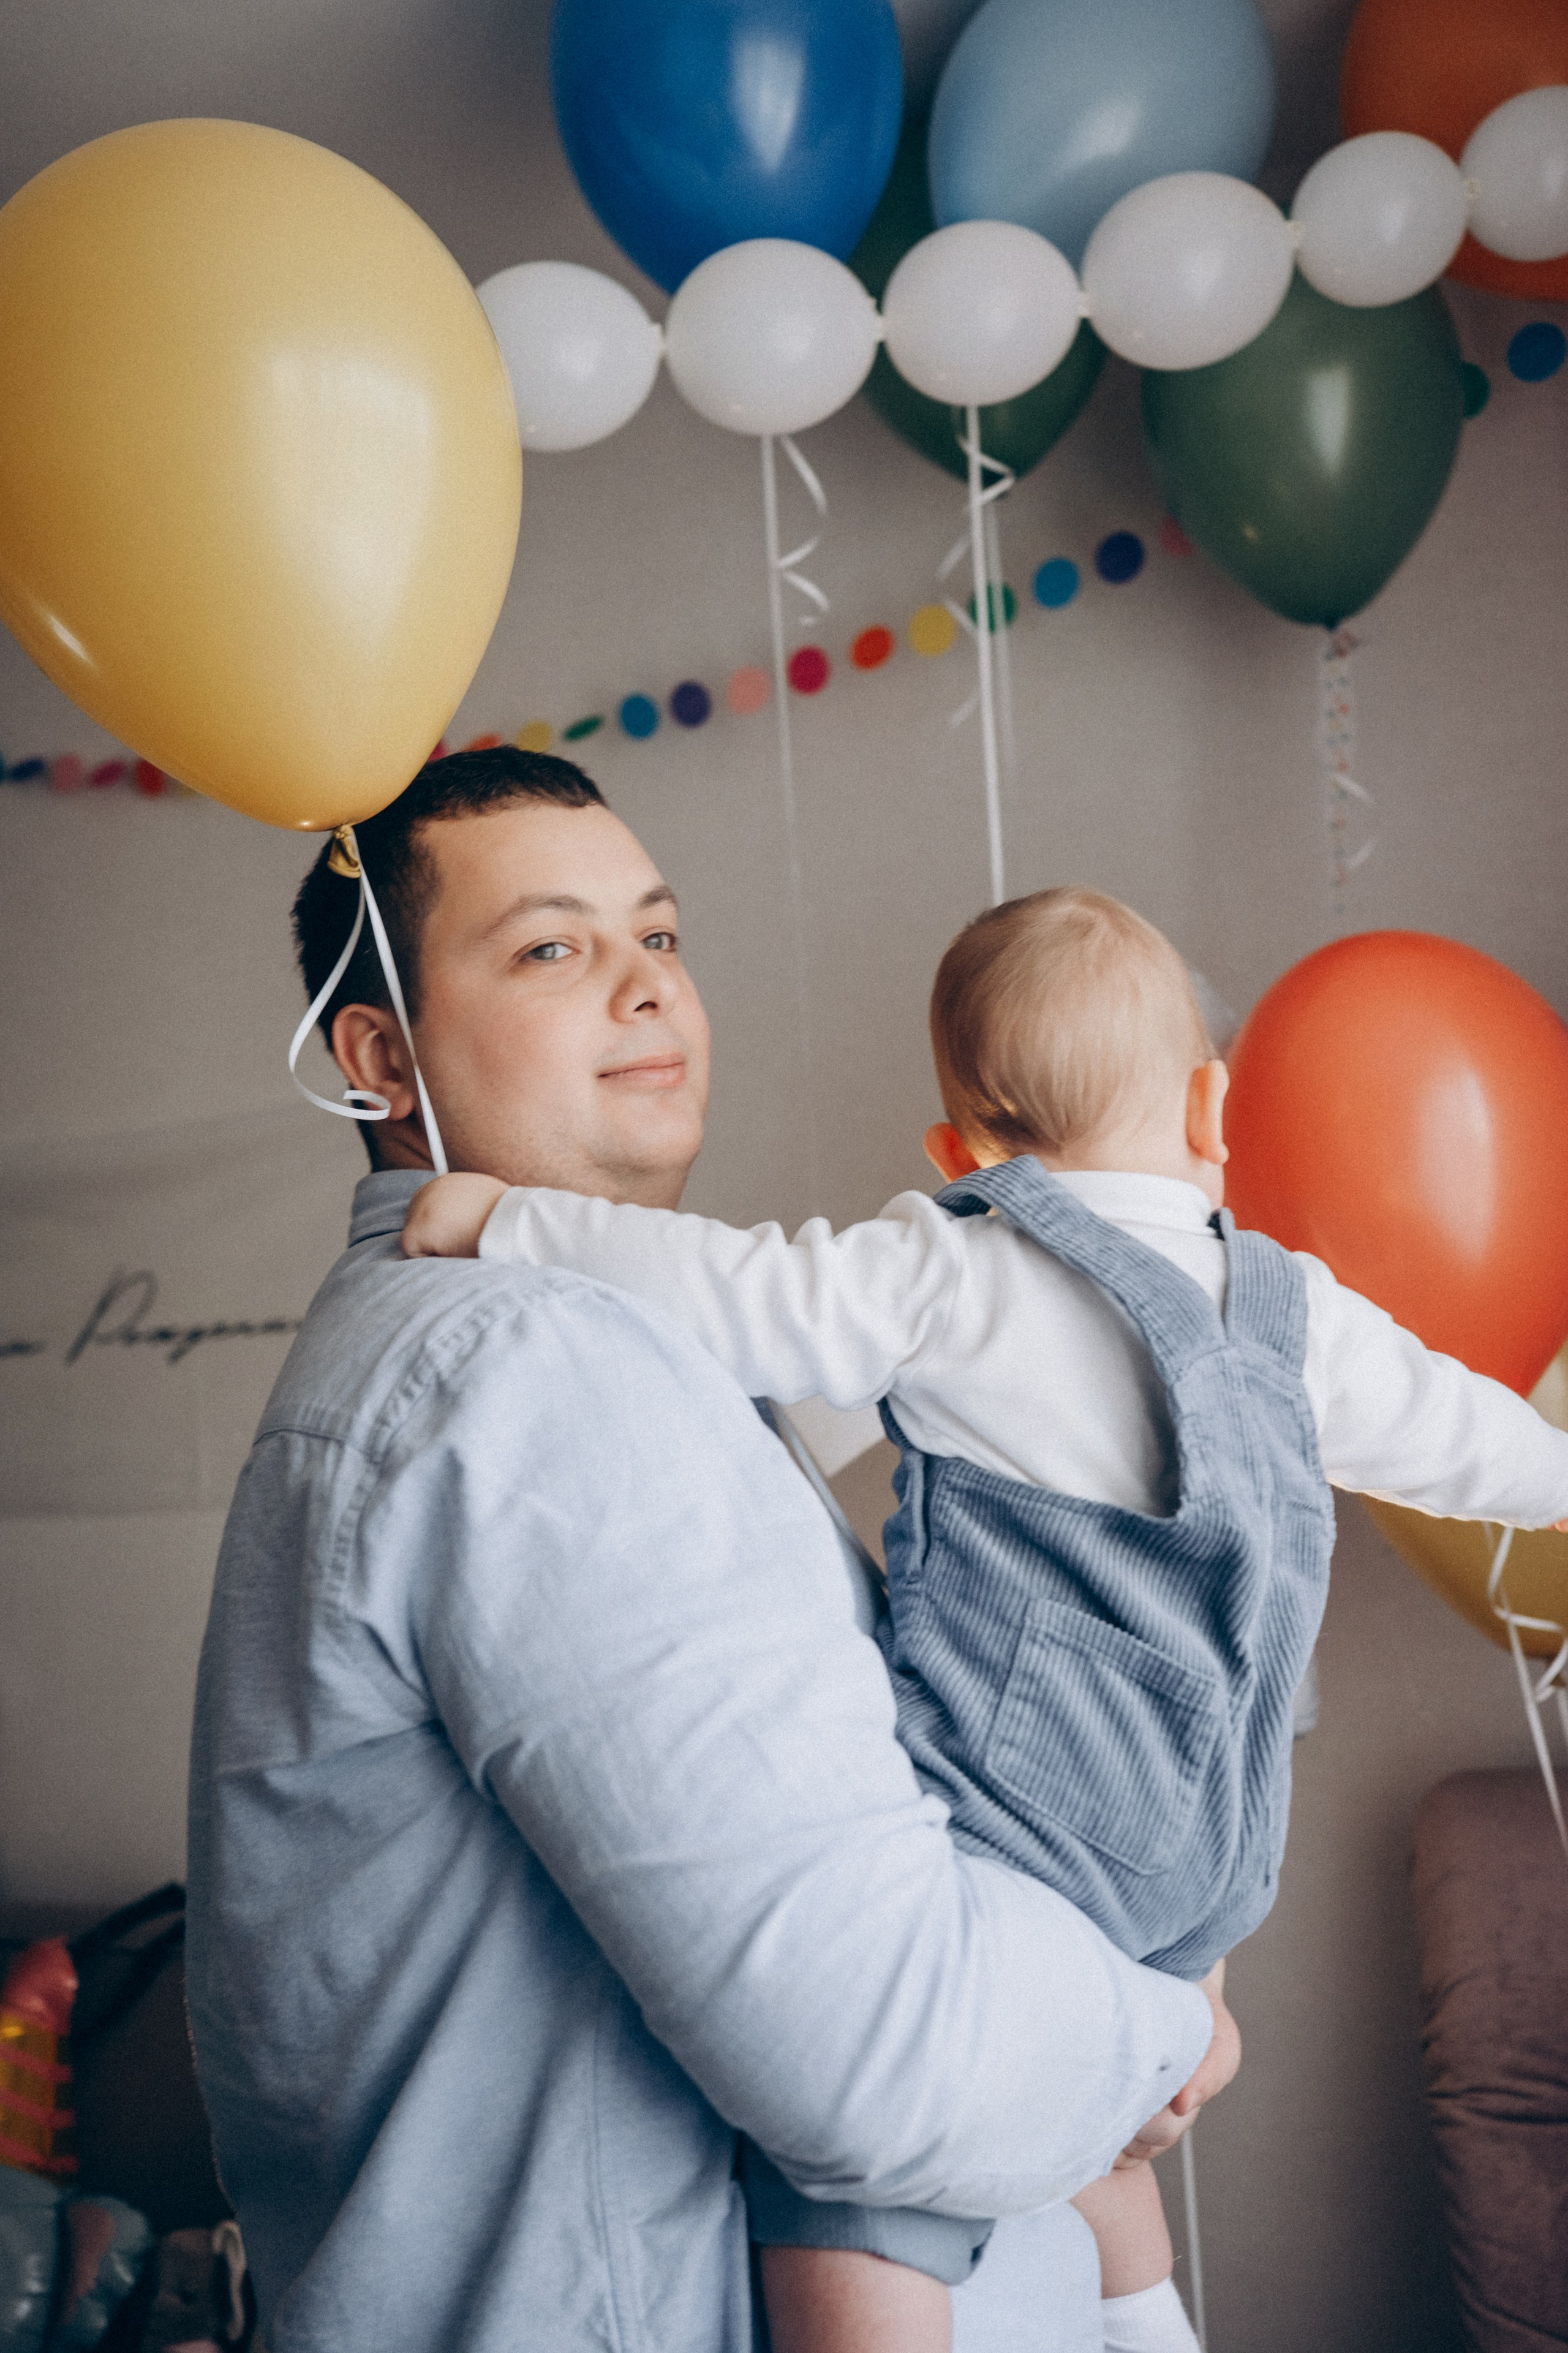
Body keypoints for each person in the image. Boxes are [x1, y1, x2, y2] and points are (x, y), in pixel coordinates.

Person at [404, 882, 1568, 2353]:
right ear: (1212, 1108)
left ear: (958, 1151)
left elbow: (726, 1292)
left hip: (1027, 1818)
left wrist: (510, 1224)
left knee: (855, 2163)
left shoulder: (953, 1265)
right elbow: (1463, 1434)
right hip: (1215, 1853)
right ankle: (1145, 2319)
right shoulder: (1298, 1313)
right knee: (1103, 2100)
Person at [186, 757, 1223, 2353]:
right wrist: (1165, 2019)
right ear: (380, 1054)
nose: (645, 984)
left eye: (659, 937)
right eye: (552, 948)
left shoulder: (565, 1351)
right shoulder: (526, 1369)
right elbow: (884, 2056)